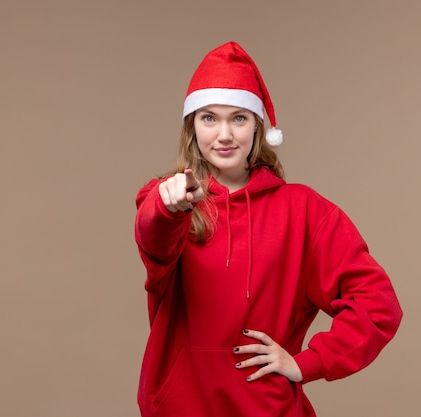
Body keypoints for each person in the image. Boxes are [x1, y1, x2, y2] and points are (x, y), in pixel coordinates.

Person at [134, 41, 402, 417]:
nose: (224, 134)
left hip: (268, 409)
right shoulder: (166, 198)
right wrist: (169, 205)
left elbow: (378, 305)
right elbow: (153, 234)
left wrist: (308, 362)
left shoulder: (303, 209)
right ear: (192, 126)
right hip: (179, 408)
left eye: (238, 118)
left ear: (258, 126)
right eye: (209, 118)